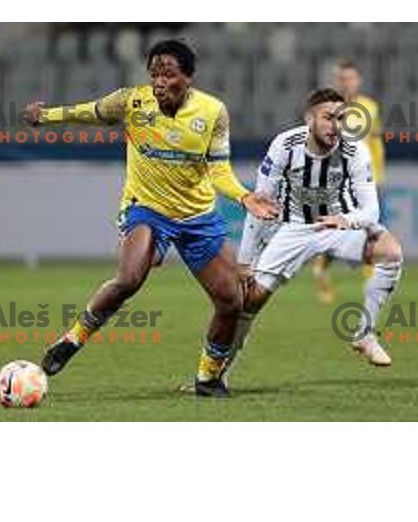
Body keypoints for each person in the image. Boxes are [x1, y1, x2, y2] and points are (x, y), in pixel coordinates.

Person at [23, 39, 277, 397]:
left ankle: (207, 378)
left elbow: (218, 170)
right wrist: (45, 117)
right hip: (148, 207)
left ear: (187, 78)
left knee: (231, 300)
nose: (159, 81)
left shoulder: (213, 112)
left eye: (168, 73)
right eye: (154, 73)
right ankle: (71, 340)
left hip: (196, 214)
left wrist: (244, 195)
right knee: (129, 279)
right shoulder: (132, 101)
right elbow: (89, 112)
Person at [226, 89, 403, 383]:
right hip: (292, 228)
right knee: (249, 302)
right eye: (328, 118)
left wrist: (346, 220)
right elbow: (260, 204)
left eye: (342, 118)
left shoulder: (354, 149)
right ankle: (218, 375)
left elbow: (371, 209)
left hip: (338, 224)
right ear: (310, 119)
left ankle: (365, 333)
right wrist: (245, 261)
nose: (336, 125)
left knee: (390, 252)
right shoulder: (285, 145)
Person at [312, 60, 387, 303]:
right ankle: (323, 265)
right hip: (342, 182)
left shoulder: (370, 108)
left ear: (359, 81)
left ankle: (369, 280)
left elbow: (375, 142)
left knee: (371, 229)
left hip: (371, 179)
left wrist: (379, 173)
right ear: (337, 82)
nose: (347, 83)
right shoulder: (330, 112)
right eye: (343, 79)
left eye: (351, 78)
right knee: (342, 230)